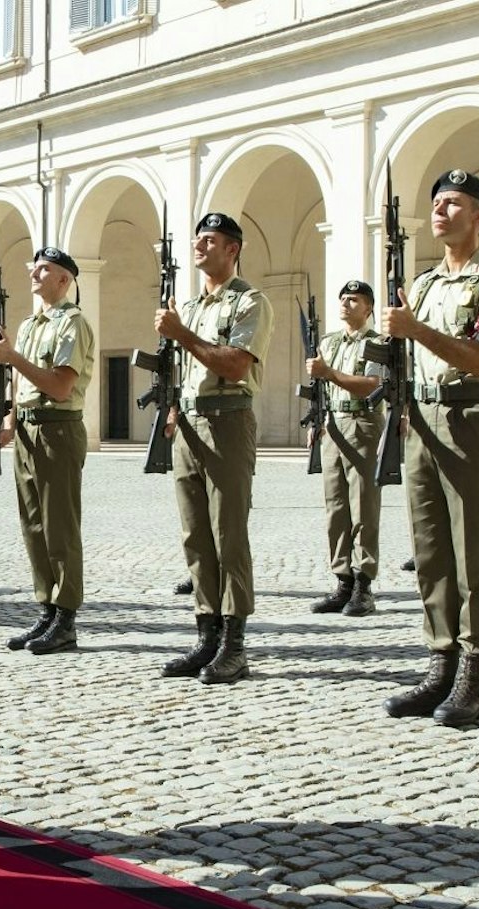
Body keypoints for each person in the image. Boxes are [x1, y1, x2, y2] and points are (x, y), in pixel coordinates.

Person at [378, 169, 479, 727]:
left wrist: (414, 329)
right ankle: (440, 661)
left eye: (454, 204)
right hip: (425, 418)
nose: (440, 212)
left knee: (472, 551)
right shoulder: (425, 284)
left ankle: (473, 674)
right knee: (431, 549)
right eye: (436, 203)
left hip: (472, 414)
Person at [153, 213, 271, 684]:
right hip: (190, 423)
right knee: (195, 536)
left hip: (227, 419)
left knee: (228, 535)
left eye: (212, 240)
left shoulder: (249, 302)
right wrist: (175, 408)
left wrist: (181, 333)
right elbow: (186, 367)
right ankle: (206, 635)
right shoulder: (192, 305)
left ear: (233, 249)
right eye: (197, 239)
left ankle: (234, 644)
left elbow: (237, 364)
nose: (200, 246)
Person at [0, 246, 93, 655]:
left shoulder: (72, 323)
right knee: (33, 525)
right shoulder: (32, 324)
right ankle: (47, 609)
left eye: (44, 269)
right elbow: (24, 384)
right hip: (31, 431)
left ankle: (66, 617)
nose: (35, 273)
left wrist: (12, 356)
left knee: (59, 527)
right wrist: (12, 418)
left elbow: (60, 386)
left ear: (64, 280)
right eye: (34, 267)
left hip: (59, 430)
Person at [307, 280, 384, 618]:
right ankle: (343, 579)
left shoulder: (378, 344)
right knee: (336, 506)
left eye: (353, 299)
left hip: (363, 424)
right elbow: (319, 388)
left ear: (368, 308)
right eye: (342, 298)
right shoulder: (330, 342)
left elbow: (371, 385)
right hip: (333, 424)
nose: (345, 303)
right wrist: (316, 420)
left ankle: (364, 583)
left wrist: (329, 373)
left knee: (363, 504)